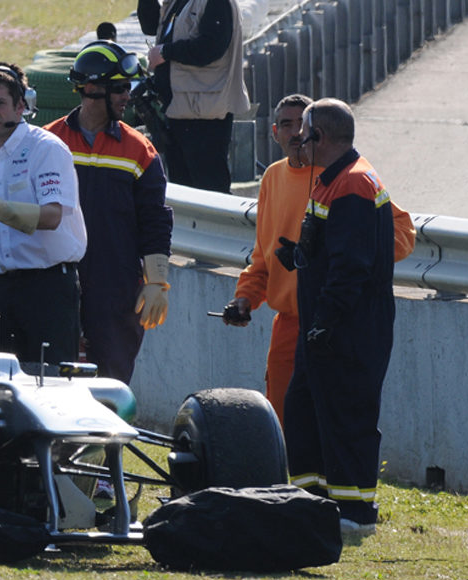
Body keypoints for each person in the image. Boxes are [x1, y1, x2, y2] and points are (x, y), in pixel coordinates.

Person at [222, 94, 416, 425]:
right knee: (284, 422)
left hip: (332, 322)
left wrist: (343, 262)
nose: (297, 133)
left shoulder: (345, 177)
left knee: (332, 423)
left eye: (304, 124)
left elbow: (401, 233)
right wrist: (245, 299)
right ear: (274, 133)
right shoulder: (272, 177)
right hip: (289, 323)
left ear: (319, 132)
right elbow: (263, 257)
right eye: (287, 125)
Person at [276, 98, 395, 536]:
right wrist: (301, 258)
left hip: (349, 327)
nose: (297, 142)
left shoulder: (353, 185)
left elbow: (352, 267)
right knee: (305, 409)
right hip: (324, 326)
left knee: (347, 414)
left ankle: (355, 514)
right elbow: (333, 250)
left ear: (319, 137)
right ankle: (312, 502)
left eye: (302, 134)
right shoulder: (332, 180)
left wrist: (326, 321)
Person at [45, 41, 173, 384]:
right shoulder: (48, 142)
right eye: (118, 88)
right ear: (91, 89)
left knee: (112, 381)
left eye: (127, 87)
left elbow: (155, 218)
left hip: (115, 286)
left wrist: (157, 280)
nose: (126, 96)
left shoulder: (139, 150)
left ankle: (111, 441)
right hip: (53, 281)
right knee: (52, 380)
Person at [0, 62, 87, 364]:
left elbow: (52, 216)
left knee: (53, 381)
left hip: (47, 287)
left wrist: (5, 211)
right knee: (0, 383)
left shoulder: (46, 149)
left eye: (0, 104)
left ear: (21, 106)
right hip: (2, 289)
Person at [137, 0, 250, 192]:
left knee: (210, 191)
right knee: (183, 190)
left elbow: (212, 46)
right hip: (179, 109)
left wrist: (166, 52)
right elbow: (150, 25)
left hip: (205, 115)